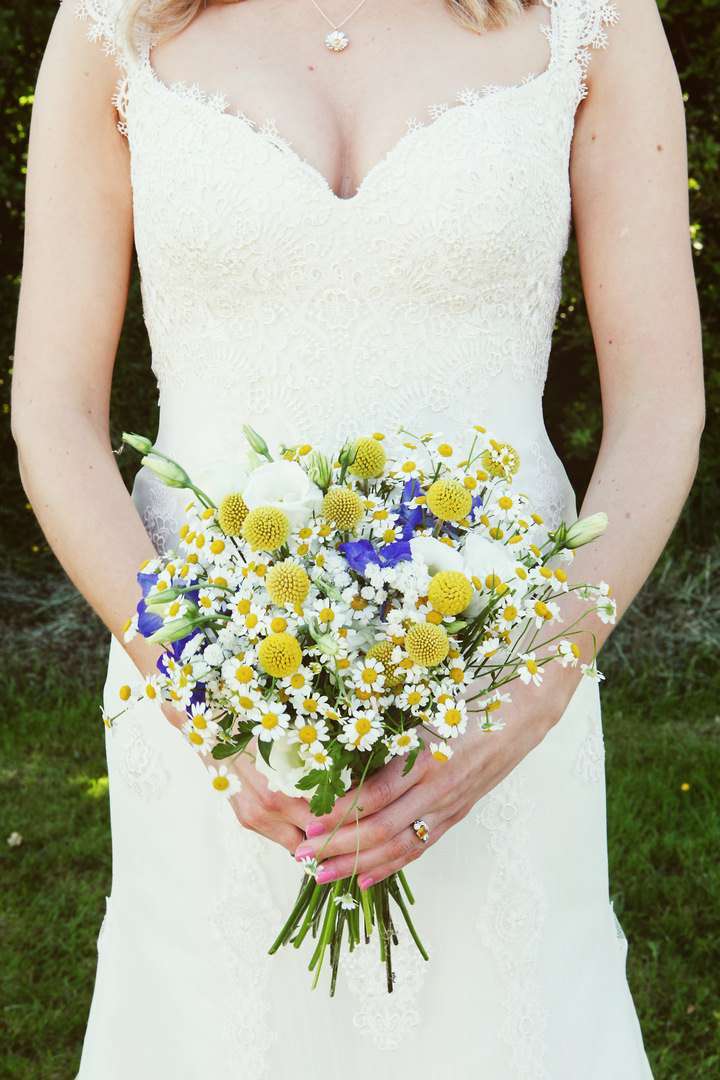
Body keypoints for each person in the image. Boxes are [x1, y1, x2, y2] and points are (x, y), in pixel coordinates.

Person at [11, 0, 703, 1076]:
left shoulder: (591, 15)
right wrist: (206, 691)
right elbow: (51, 413)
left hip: (502, 690)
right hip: (204, 707)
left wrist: (539, 680)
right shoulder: (115, 20)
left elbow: (662, 406)